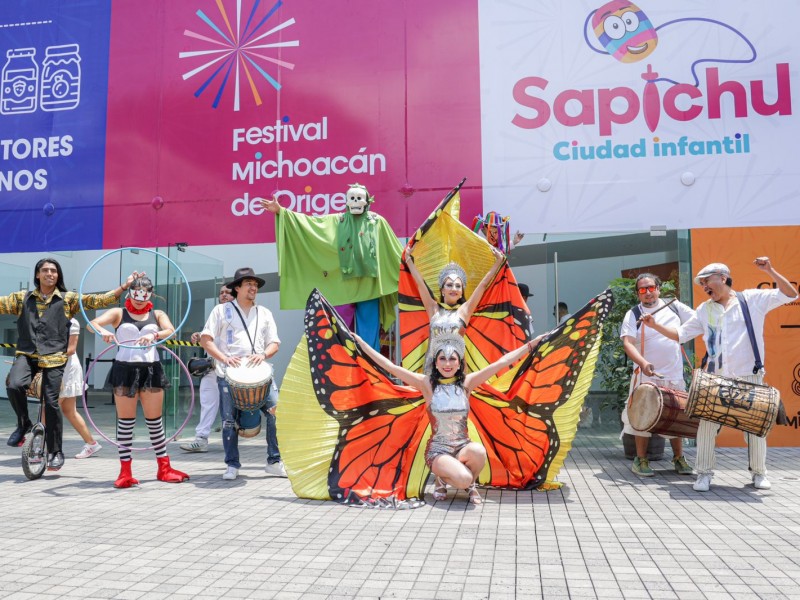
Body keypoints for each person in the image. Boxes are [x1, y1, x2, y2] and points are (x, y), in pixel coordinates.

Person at [643, 259, 798, 492]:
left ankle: (759, 473)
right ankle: (704, 473)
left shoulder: (751, 300)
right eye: (701, 284)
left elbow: (791, 294)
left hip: (750, 375)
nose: (704, 287)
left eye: (707, 281)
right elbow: (681, 335)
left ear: (723, 278)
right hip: (716, 378)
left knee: (755, 426)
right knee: (706, 426)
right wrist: (655, 325)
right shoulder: (705, 309)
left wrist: (769, 271)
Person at [353, 330, 544, 504]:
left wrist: (531, 345)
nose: (447, 364)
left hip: (463, 446)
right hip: (438, 452)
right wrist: (361, 342)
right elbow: (390, 367)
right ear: (435, 362)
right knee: (463, 479)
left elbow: (501, 363)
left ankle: (467, 484)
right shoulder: (427, 384)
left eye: (452, 359)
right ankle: (444, 479)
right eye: (442, 359)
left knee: (478, 451)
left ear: (459, 363)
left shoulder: (467, 383)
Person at [0, 258, 135, 471]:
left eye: (54, 271)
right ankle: (23, 423)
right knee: (14, 385)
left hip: (55, 357)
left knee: (52, 403)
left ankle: (55, 452)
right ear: (37, 275)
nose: (50, 274)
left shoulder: (67, 299)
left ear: (58, 275)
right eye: (45, 270)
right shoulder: (21, 298)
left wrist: (124, 286)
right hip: (27, 354)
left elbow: (97, 300)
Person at [259, 184, 403, 350]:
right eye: (352, 199)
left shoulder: (377, 221)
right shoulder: (337, 220)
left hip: (369, 287)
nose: (356, 202)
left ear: (367, 201)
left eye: (359, 198)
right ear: (347, 202)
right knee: (338, 333)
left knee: (369, 335)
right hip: (342, 288)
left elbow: (393, 249)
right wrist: (282, 212)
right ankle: (340, 371)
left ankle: (370, 371)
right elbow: (311, 224)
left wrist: (410, 262)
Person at [89, 275, 189, 488]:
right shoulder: (118, 313)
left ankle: (164, 468)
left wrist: (154, 336)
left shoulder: (157, 314)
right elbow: (92, 323)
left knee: (155, 423)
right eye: (136, 295)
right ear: (130, 293)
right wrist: (103, 332)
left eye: (144, 296)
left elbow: (171, 331)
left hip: (151, 370)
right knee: (126, 423)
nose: (139, 300)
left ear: (150, 295)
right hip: (124, 370)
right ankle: (125, 472)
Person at [200, 267, 286, 480]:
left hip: (260, 374)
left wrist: (264, 354)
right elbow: (206, 339)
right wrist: (224, 358)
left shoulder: (264, 313)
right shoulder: (220, 311)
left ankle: (274, 461)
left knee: (277, 414)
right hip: (229, 373)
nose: (253, 288)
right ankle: (232, 464)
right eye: (249, 284)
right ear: (237, 287)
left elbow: (275, 343)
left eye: (255, 285)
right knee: (229, 421)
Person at [620, 274, 695, 477]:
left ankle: (679, 458)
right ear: (638, 294)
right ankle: (641, 459)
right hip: (645, 375)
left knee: (676, 415)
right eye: (642, 290)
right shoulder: (633, 313)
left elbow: (698, 322)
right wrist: (643, 363)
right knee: (642, 415)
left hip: (673, 373)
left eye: (651, 287)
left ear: (659, 288)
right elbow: (627, 342)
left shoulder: (675, 307)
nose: (647, 292)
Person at [404, 248, 504, 371]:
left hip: (457, 369)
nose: (454, 289)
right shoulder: (433, 308)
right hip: (432, 369)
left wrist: (498, 262)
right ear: (442, 290)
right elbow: (420, 283)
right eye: (449, 285)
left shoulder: (465, 311)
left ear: (462, 292)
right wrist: (408, 259)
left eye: (458, 286)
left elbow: (483, 285)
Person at [181, 284, 233, 453]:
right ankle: (201, 439)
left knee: (233, 406)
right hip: (212, 367)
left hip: (233, 367)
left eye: (228, 292)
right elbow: (210, 337)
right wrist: (199, 335)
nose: (224, 295)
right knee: (207, 402)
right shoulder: (216, 313)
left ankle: (232, 440)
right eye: (221, 293)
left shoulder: (240, 315)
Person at [60, 318, 102, 459]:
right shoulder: (43, 317)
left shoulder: (72, 321)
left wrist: (46, 358)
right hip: (56, 369)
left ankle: (42, 448)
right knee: (68, 410)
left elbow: (71, 349)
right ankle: (92, 443)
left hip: (66, 370)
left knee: (47, 410)